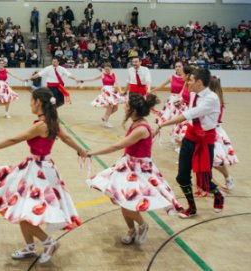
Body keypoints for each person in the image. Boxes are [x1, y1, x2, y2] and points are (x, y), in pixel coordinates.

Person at [0, 88, 86, 263]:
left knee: (25, 213)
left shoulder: (41, 125)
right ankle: (29, 247)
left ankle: (49, 243)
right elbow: (66, 138)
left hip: (38, 171)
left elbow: (14, 140)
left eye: (31, 101)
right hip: (42, 168)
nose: (29, 104)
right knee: (21, 209)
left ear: (38, 102)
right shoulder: (51, 122)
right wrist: (80, 150)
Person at [86, 93, 181, 245]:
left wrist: (91, 152)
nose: (124, 108)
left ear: (134, 111)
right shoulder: (136, 123)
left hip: (139, 170)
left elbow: (117, 145)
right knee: (121, 200)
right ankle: (131, 229)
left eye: (127, 107)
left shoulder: (141, 128)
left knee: (126, 201)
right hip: (128, 165)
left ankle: (143, 225)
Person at [154, 69, 224, 218]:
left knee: (203, 182)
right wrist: (182, 107)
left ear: (199, 83)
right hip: (191, 136)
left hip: (205, 141)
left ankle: (218, 194)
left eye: (190, 80)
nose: (186, 83)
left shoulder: (211, 98)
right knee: (182, 177)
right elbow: (191, 113)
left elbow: (189, 114)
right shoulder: (193, 94)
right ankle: (191, 208)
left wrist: (161, 125)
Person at [209, 76, 238, 190]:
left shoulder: (214, 99)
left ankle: (228, 178)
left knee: (216, 160)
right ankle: (209, 181)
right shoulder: (215, 97)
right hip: (213, 130)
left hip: (214, 131)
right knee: (211, 160)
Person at [79, 63, 126, 128]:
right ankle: (106, 121)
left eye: (108, 69)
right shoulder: (102, 74)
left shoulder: (113, 74)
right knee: (110, 106)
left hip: (112, 91)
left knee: (115, 108)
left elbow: (117, 83)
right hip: (106, 91)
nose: (106, 70)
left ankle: (105, 117)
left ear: (111, 68)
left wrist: (120, 91)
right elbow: (93, 79)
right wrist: (83, 80)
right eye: (105, 69)